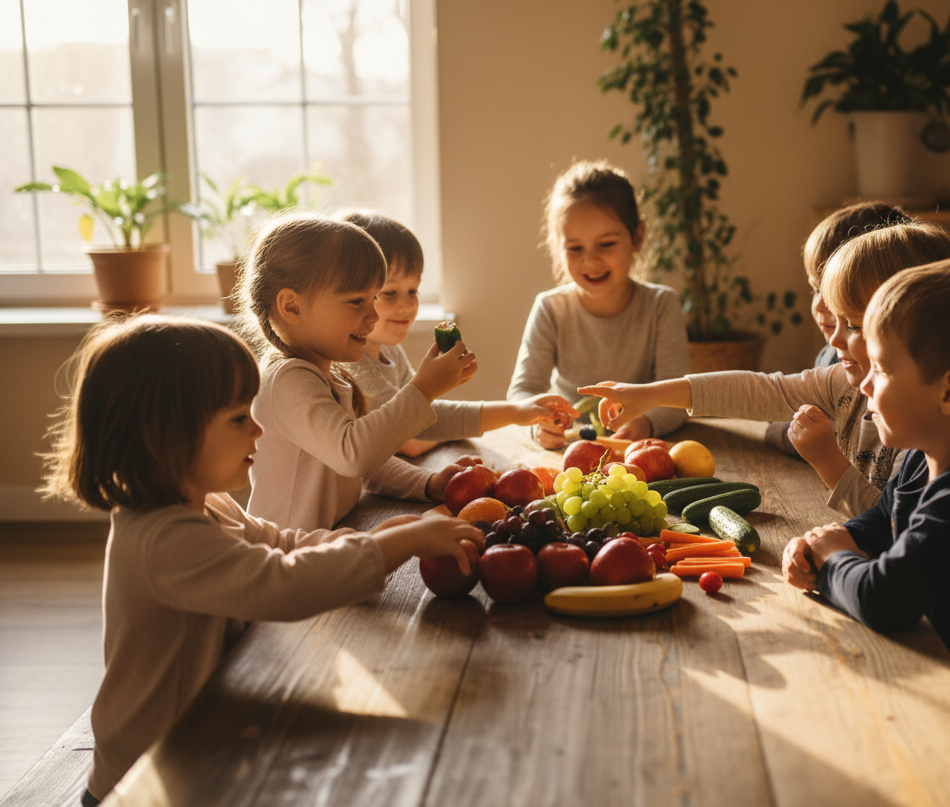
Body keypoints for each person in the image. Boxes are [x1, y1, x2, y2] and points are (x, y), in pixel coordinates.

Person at [40, 315, 482, 806]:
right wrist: (389, 548)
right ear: (162, 436)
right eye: (238, 419)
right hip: (151, 774)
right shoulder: (163, 540)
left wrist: (382, 536)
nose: (258, 428)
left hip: (201, 742)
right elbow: (281, 584)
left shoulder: (205, 504)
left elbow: (281, 544)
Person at [781, 256, 950, 782]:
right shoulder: (923, 453)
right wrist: (832, 540)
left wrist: (834, 560)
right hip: (941, 678)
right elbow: (884, 518)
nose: (865, 385)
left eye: (882, 369)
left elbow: (885, 599)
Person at [581, 222, 950, 521]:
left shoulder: (921, 423)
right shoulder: (843, 384)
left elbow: (890, 529)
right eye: (839, 321)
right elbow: (759, 390)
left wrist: (829, 461)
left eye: (856, 326)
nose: (837, 341)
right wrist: (650, 394)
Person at [238, 213, 477, 531]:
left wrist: (428, 483)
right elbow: (354, 454)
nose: (373, 315)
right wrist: (424, 389)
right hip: (289, 563)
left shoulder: (330, 376)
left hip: (328, 548)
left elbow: (367, 467)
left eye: (375, 298)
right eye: (356, 301)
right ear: (292, 307)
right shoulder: (288, 381)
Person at [336, 209, 576, 457]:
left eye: (413, 291)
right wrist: (513, 412)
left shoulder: (390, 351)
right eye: (389, 293)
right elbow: (412, 424)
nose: (407, 306)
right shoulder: (351, 363)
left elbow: (423, 413)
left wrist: (515, 410)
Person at [507, 160, 690, 449]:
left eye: (606, 245)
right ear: (557, 248)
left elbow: (678, 399)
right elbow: (522, 393)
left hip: (636, 450)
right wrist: (538, 427)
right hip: (564, 450)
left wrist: (645, 423)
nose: (590, 262)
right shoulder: (550, 309)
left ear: (637, 237)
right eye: (575, 249)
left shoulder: (661, 305)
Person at [765, 201, 912, 455]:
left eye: (835, 293)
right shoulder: (832, 355)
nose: (820, 304)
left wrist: (775, 431)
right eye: (815, 289)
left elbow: (825, 442)